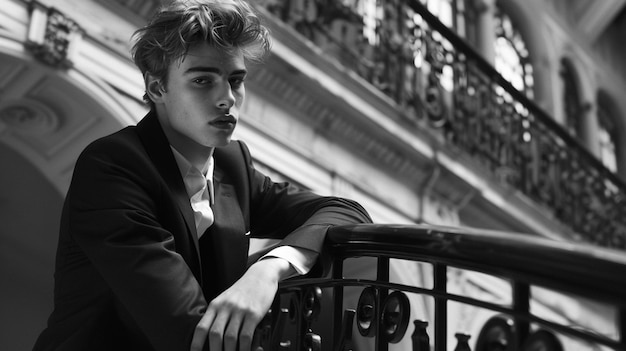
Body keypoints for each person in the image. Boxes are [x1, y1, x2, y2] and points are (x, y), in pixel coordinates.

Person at [32, 0, 372, 350]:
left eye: (235, 80)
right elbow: (189, 332)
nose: (227, 98)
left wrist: (268, 270)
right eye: (203, 80)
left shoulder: (232, 164)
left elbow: (346, 210)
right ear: (157, 88)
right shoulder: (114, 167)